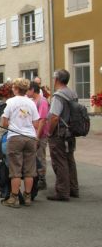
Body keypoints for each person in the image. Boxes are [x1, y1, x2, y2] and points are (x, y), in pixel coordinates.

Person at [1, 78, 39, 208]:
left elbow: (4, 123)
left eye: (13, 87)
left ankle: (14, 198)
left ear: (16, 89)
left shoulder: (10, 102)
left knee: (15, 169)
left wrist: (12, 124)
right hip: (30, 137)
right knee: (30, 169)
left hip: (15, 137)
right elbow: (36, 123)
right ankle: (28, 197)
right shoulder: (31, 103)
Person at [47, 69, 79, 201]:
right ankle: (73, 188)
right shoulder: (73, 93)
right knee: (70, 160)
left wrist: (49, 131)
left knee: (60, 161)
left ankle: (62, 191)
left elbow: (54, 117)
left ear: (57, 80)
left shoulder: (58, 96)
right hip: (71, 132)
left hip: (59, 133)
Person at [27, 81, 50, 190]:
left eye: (27, 90)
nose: (26, 92)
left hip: (41, 134)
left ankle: (42, 179)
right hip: (32, 133)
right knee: (33, 156)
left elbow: (42, 120)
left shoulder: (42, 101)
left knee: (40, 156)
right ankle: (35, 177)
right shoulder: (32, 101)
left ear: (32, 90)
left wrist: (37, 136)